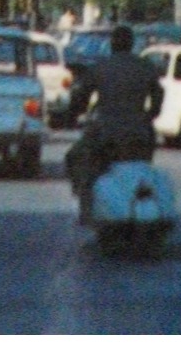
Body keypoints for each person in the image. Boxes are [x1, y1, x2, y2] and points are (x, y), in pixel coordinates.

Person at [63, 24, 163, 223]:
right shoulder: (145, 66)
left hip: (107, 133)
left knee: (75, 157)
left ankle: (86, 205)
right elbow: (158, 93)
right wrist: (150, 115)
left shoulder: (100, 67)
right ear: (132, 44)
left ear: (112, 44)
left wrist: (73, 114)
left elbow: (80, 96)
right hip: (141, 133)